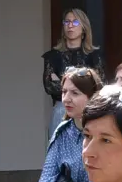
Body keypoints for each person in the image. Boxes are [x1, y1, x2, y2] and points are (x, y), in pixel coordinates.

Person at [35, 68, 101, 182]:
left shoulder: (104, 133)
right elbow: (47, 178)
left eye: (75, 93)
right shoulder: (62, 133)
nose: (66, 99)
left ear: (92, 96)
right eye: (64, 92)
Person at [43, 8, 103, 138]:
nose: (70, 25)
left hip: (87, 110)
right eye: (67, 22)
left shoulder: (93, 56)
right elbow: (49, 87)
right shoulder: (53, 56)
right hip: (61, 110)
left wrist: (61, 82)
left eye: (75, 22)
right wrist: (82, 86)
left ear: (84, 28)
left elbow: (98, 87)